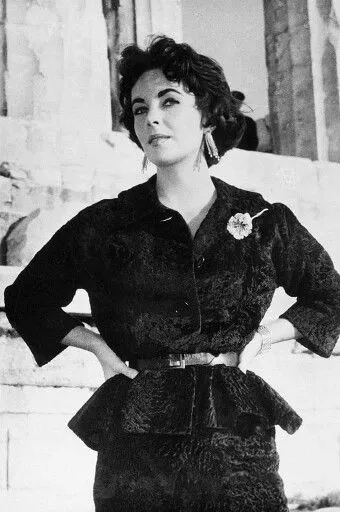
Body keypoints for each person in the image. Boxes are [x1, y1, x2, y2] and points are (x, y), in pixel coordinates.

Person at [4, 36, 340, 512]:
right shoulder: (106, 224)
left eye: (169, 102)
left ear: (206, 114)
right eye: (139, 109)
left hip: (235, 438)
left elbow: (331, 295)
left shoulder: (264, 221)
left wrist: (265, 336)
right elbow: (25, 299)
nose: (151, 118)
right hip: (136, 440)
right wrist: (96, 344)